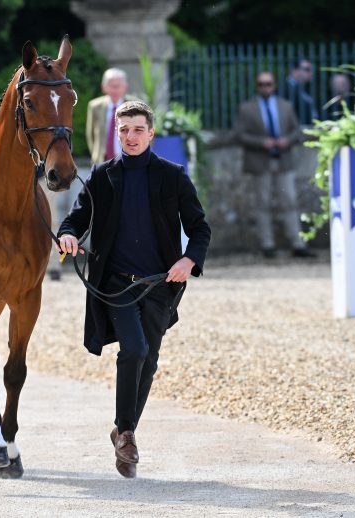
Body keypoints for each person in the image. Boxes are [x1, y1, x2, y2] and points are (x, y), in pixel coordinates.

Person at [57, 100, 211, 478]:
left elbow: (199, 228)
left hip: (160, 284)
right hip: (116, 284)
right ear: (117, 133)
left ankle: (122, 430)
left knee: (150, 360)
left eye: (138, 129)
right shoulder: (102, 176)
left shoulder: (172, 176)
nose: (131, 136)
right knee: (135, 349)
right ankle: (127, 434)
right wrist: (68, 235)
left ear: (151, 133)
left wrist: (188, 261)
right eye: (124, 130)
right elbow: (76, 219)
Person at [236, 71, 315, 259]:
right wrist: (262, 142)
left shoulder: (285, 106)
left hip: (283, 160)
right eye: (261, 84)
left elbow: (297, 132)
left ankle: (298, 243)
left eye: (268, 84)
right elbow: (239, 135)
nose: (265, 87)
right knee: (262, 203)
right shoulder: (246, 108)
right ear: (257, 86)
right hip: (260, 161)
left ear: (274, 85)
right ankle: (267, 245)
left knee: (290, 201)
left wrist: (286, 141)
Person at [86, 68, 138, 164]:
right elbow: (90, 134)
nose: (115, 89)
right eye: (111, 85)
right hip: (102, 160)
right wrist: (96, 153)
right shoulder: (95, 106)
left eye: (118, 86)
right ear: (103, 87)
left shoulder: (136, 106)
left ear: (125, 87)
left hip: (128, 160)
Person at [284, 58, 319, 125]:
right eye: (307, 69)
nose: (311, 73)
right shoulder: (286, 89)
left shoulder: (303, 88)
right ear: (295, 71)